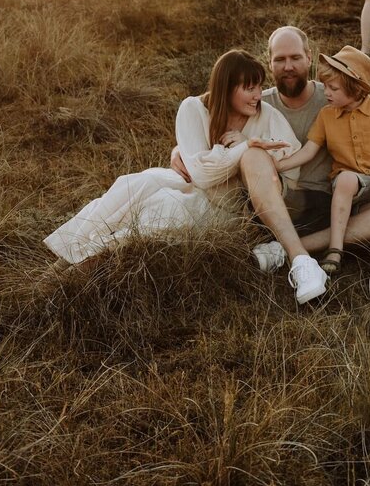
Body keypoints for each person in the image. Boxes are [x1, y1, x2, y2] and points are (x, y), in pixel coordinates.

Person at [44, 49, 329, 303]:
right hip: (195, 187)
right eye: (249, 88)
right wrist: (243, 147)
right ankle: (62, 261)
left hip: (232, 206)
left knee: (155, 217)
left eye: (259, 87)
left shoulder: (265, 114)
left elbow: (290, 160)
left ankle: (72, 278)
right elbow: (201, 175)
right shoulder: (193, 108)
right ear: (226, 88)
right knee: (133, 185)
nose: (257, 95)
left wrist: (252, 157)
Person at [172, 27, 370, 276]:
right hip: (281, 199)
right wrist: (178, 150)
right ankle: (298, 246)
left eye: (295, 57)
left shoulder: (333, 95)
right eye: (280, 59)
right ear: (270, 63)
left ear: (309, 57)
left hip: (342, 193)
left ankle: (289, 249)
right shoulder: (259, 102)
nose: (288, 66)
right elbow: (217, 120)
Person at [265, 45, 370, 274]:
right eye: (325, 86)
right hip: (350, 185)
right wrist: (278, 165)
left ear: (355, 89)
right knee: (346, 178)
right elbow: (309, 150)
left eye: (333, 88)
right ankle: (335, 248)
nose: (326, 92)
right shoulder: (327, 115)